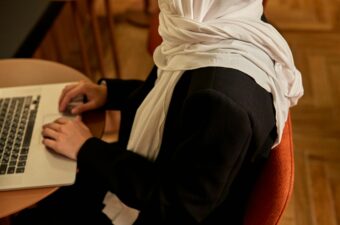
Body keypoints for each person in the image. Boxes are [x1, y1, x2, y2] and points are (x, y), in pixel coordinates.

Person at [12, 0, 303, 225]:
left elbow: (178, 208)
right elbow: (177, 99)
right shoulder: (224, 25)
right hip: (157, 176)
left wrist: (86, 147)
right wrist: (110, 93)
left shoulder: (221, 100)